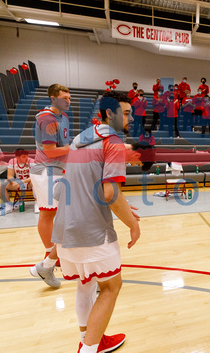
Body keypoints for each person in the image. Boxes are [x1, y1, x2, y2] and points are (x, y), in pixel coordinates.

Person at [52, 92, 141, 353]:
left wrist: (120, 205)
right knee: (112, 286)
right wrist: (132, 225)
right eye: (126, 113)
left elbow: (64, 188)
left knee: (86, 282)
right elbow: (110, 194)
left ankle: (92, 339)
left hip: (66, 228)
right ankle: (88, 348)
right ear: (109, 114)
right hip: (91, 230)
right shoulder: (112, 141)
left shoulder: (81, 138)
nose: (131, 117)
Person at [29, 83, 71, 288]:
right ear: (53, 99)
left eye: (70, 98)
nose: (68, 101)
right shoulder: (47, 118)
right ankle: (49, 256)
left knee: (62, 213)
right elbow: (51, 151)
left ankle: (52, 258)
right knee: (48, 213)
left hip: (58, 169)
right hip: (45, 170)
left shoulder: (63, 117)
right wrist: (79, 148)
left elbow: (62, 149)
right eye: (64, 98)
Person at [0, 148, 35, 216]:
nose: (26, 158)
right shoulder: (12, 161)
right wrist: (12, 182)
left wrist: (23, 181)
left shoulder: (31, 161)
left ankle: (38, 204)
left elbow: (34, 176)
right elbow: (10, 175)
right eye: (23, 157)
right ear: (17, 157)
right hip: (18, 183)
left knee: (36, 181)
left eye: (26, 156)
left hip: (29, 182)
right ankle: (8, 206)